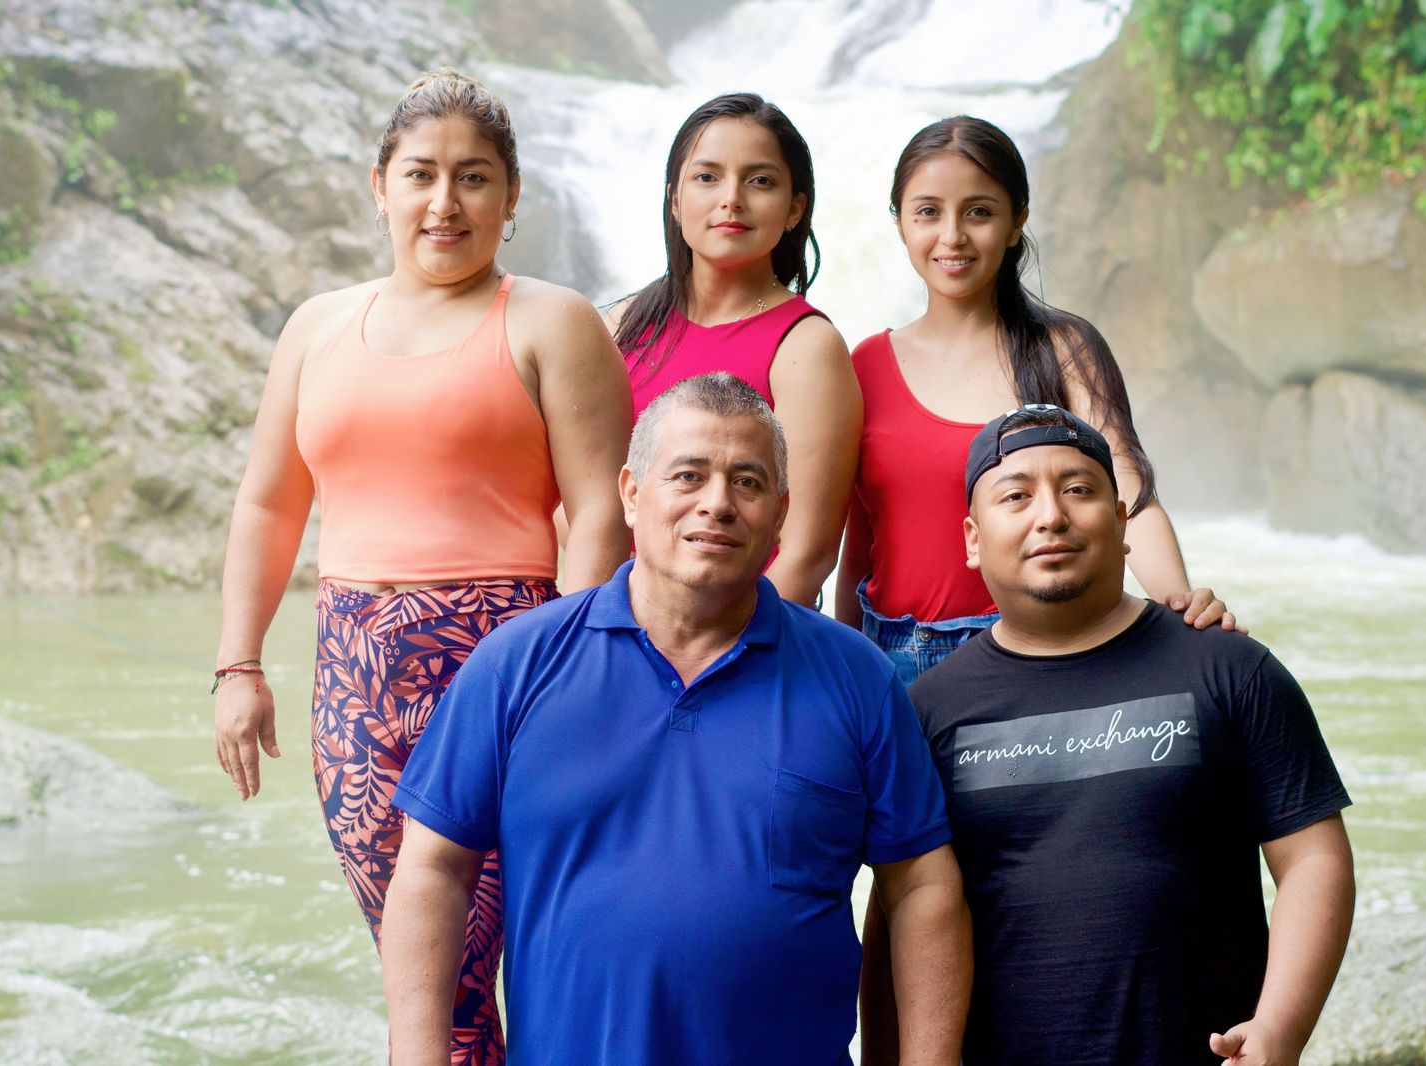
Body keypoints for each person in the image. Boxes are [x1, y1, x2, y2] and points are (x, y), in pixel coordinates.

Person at [210, 68, 632, 1062]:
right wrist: (238, 664)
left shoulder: (551, 320)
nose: (445, 202)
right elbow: (269, 504)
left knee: (484, 962)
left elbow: (601, 508)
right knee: (418, 973)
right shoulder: (317, 327)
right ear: (381, 187)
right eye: (421, 175)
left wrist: (568, 673)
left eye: (474, 177)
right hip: (353, 679)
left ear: (511, 196)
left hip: (507, 667)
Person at [381, 373, 971, 1066]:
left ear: (780, 514)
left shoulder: (856, 677)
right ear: (632, 494)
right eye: (689, 476)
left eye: (747, 483)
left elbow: (923, 888)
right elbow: (432, 871)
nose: (717, 504)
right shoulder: (518, 663)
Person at [863, 403, 1355, 1066]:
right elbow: (900, 911)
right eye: (1016, 496)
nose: (1050, 516)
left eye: (1078, 489)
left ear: (1122, 523)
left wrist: (1279, 1028)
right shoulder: (926, 711)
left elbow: (1312, 859)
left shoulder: (1230, 669)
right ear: (973, 540)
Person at [835, 115, 1236, 686]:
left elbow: (1129, 492)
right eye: (928, 212)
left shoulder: (1063, 351)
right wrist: (843, 673)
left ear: (1017, 220)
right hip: (890, 658)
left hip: (1041, 651)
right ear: (900, 223)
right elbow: (862, 539)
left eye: (978, 212)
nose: (952, 236)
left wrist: (1178, 604)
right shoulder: (865, 363)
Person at [610, 92, 861, 607]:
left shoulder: (807, 348)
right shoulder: (619, 327)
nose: (732, 199)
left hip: (746, 636)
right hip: (618, 621)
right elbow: (581, 507)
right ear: (675, 199)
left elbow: (807, 552)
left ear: (795, 208)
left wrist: (722, 647)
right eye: (707, 177)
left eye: (760, 181)